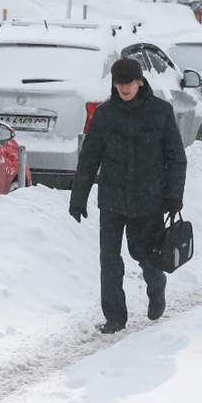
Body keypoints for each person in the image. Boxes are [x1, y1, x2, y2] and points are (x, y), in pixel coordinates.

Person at [68, 58, 187, 334]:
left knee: (144, 254)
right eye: (119, 83)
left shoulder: (160, 112)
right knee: (109, 259)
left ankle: (157, 290)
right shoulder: (105, 114)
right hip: (112, 198)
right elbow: (89, 159)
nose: (124, 88)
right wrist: (79, 197)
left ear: (140, 82)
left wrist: (174, 195)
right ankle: (114, 317)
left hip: (149, 200)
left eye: (128, 83)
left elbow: (176, 158)